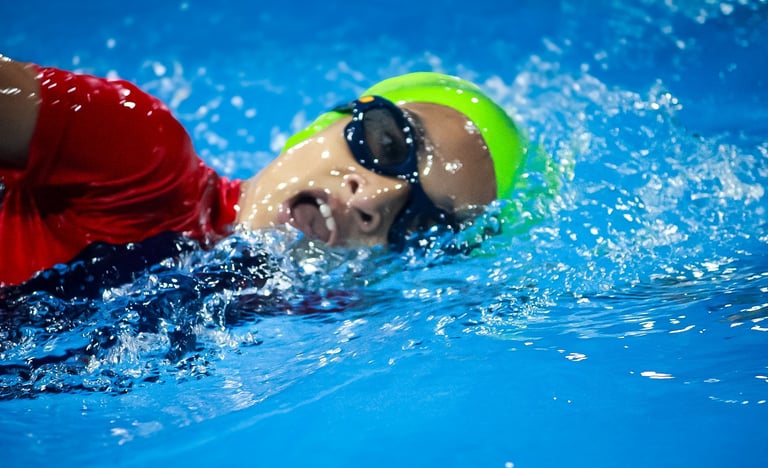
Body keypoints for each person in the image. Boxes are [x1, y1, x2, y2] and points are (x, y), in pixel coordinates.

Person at [0, 55, 526, 288]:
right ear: (323, 125)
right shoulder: (138, 151)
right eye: (388, 145)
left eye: (423, 224)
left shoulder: (307, 317)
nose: (375, 201)